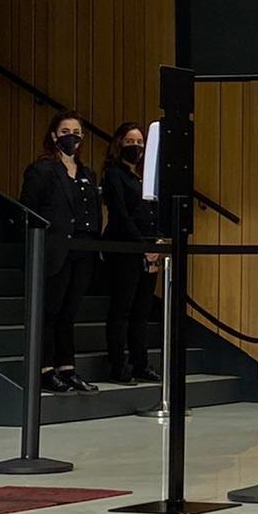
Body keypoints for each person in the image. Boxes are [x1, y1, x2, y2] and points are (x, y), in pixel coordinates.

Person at [20, 110, 101, 395]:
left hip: (82, 251)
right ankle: (45, 369)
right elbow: (28, 209)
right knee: (51, 312)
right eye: (65, 131)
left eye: (76, 131)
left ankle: (67, 369)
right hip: (54, 250)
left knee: (70, 313)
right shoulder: (41, 169)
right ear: (54, 136)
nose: (71, 136)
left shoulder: (87, 173)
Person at [101, 123, 161, 385]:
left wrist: (156, 244)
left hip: (148, 248)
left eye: (140, 141)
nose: (136, 146)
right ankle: (118, 365)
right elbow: (121, 215)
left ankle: (140, 363)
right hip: (125, 248)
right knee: (122, 309)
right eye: (130, 141)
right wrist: (142, 245)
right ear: (119, 144)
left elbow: (152, 210)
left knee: (142, 310)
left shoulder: (143, 177)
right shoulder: (114, 174)